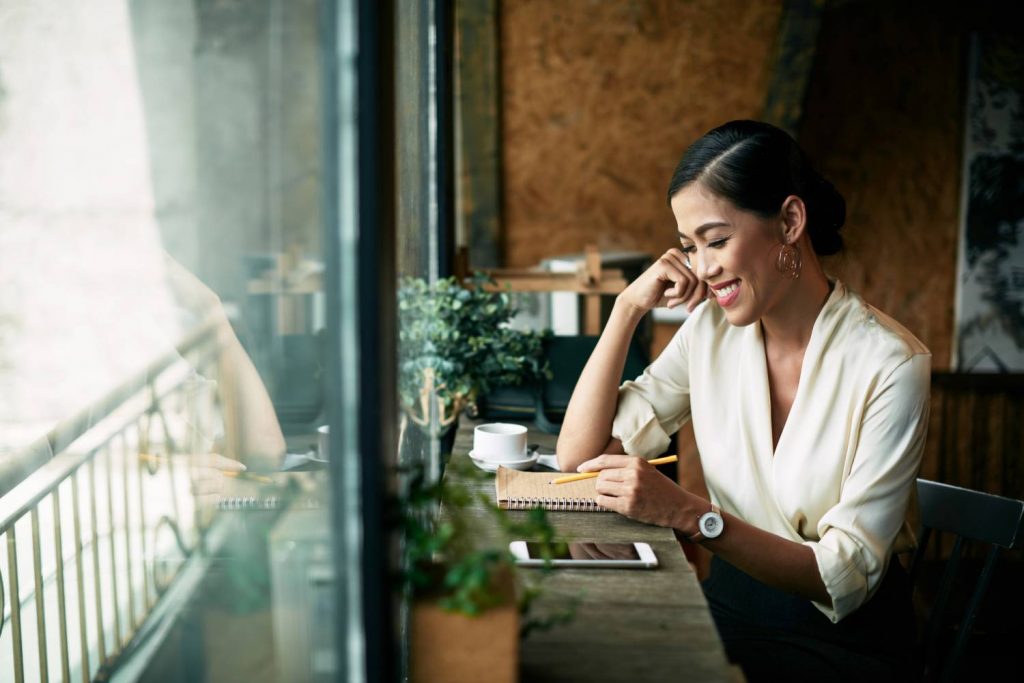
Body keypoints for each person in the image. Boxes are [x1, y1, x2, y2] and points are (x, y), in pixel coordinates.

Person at [555, 120, 930, 682]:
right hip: (727, 611)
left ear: (789, 221)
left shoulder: (892, 364)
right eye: (689, 247)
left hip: (843, 644)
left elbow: (843, 579)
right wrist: (626, 310)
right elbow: (576, 458)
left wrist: (686, 513)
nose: (702, 268)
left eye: (717, 240)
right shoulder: (709, 331)